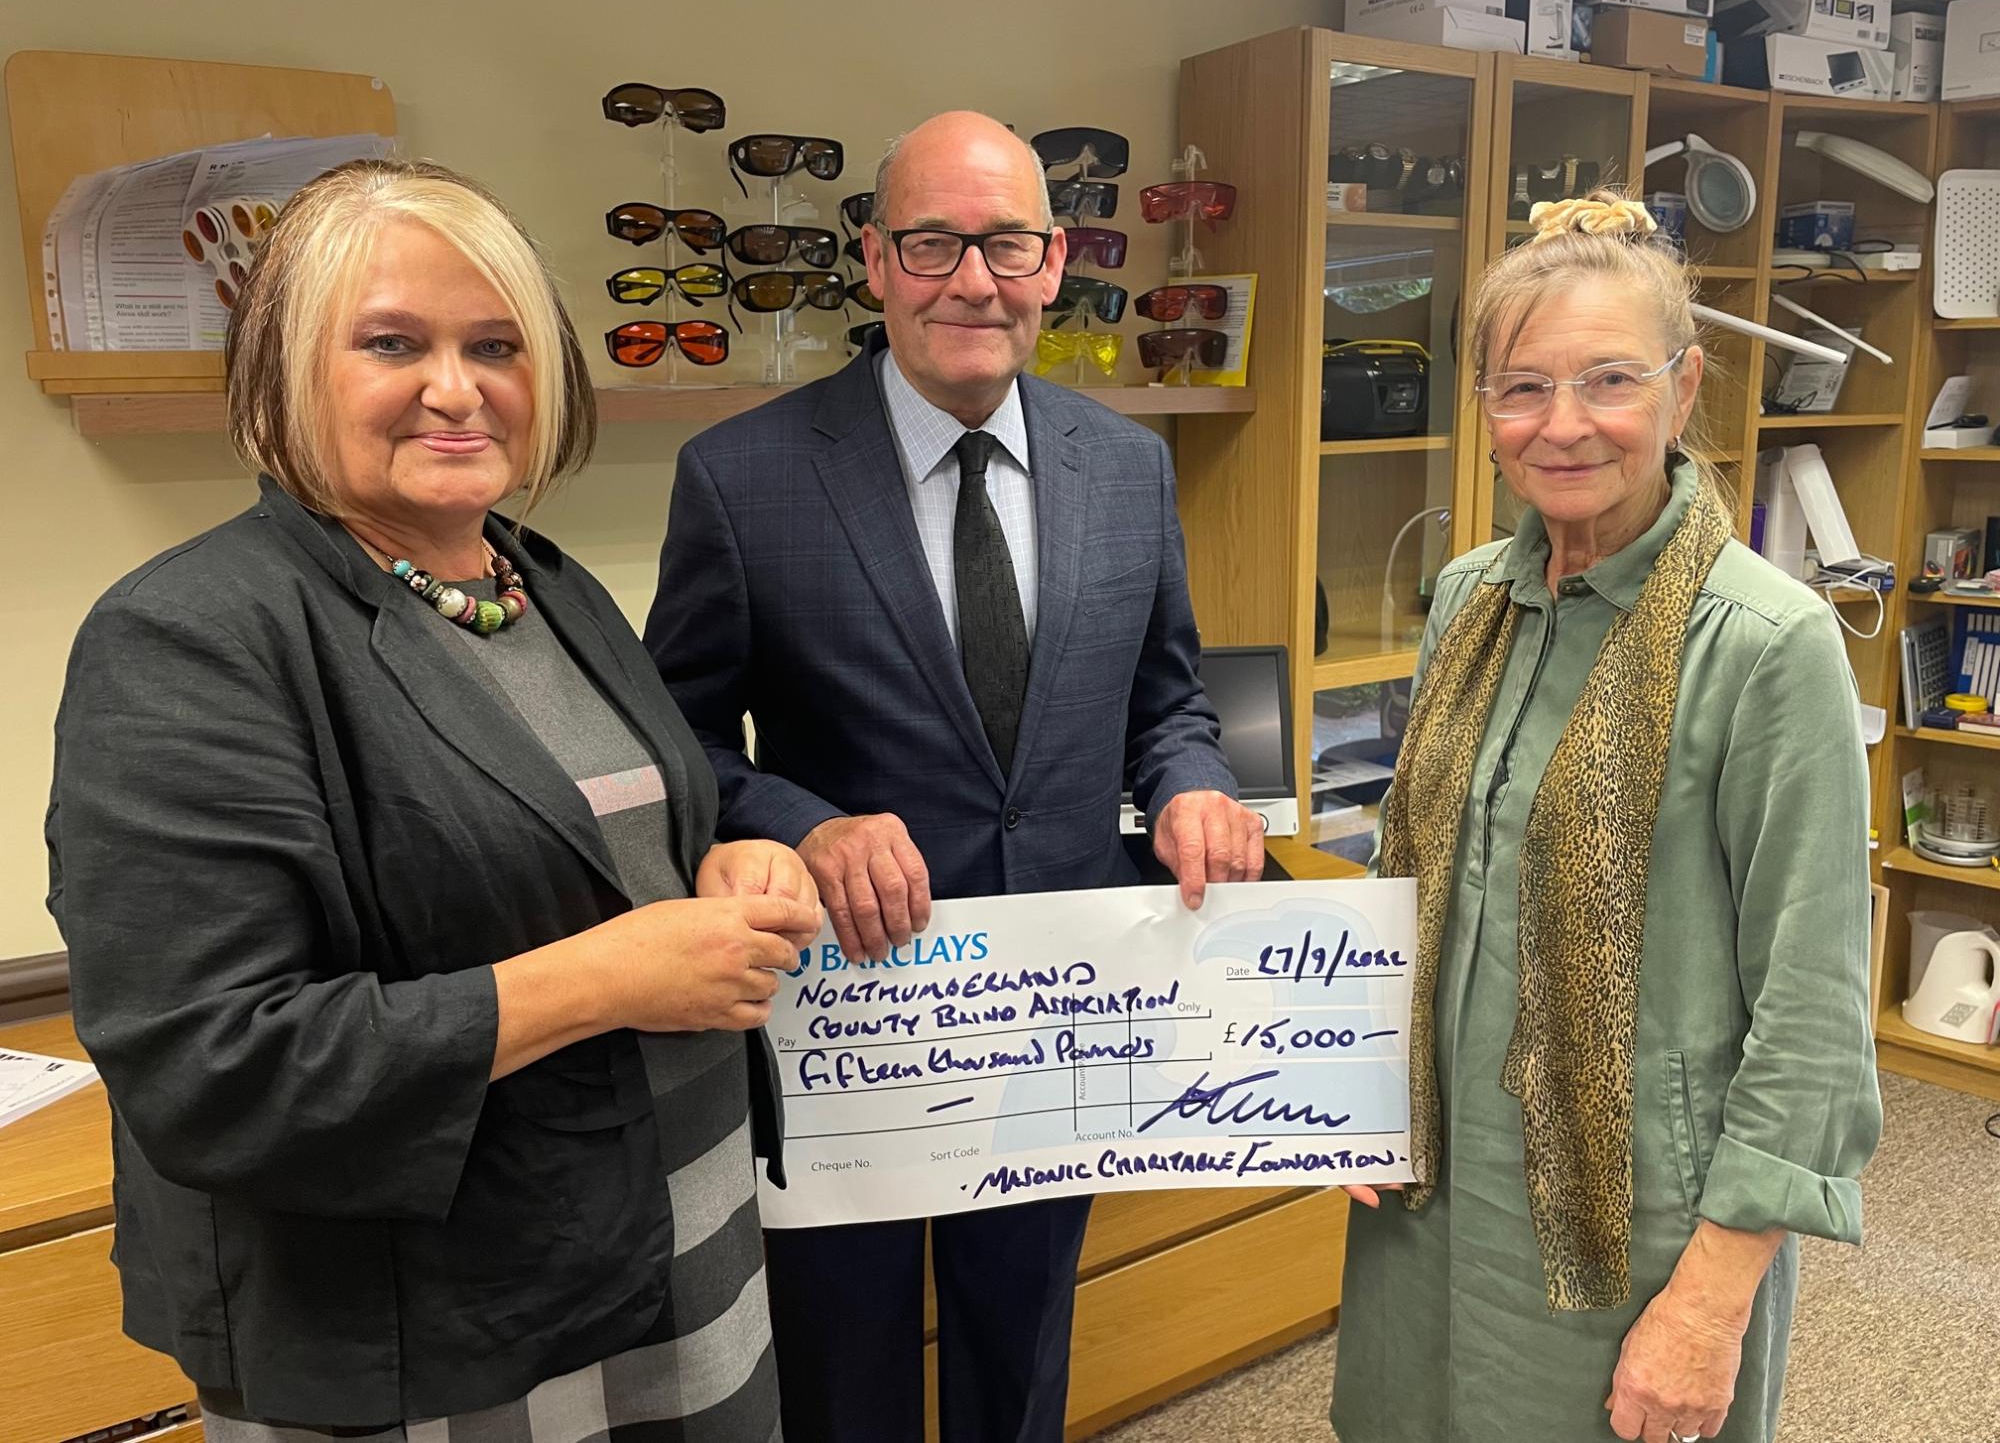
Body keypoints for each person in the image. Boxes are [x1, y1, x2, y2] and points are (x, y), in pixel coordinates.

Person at [46, 159, 822, 1439]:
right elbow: (214, 1064)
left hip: (672, 1231)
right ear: (288, 370)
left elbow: (590, 845)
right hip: (439, 1311)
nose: (456, 388)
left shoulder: (541, 585)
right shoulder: (191, 635)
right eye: (392, 343)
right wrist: (615, 977)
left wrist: (723, 862)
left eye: (496, 345)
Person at [645, 110, 1268, 1443]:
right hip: (850, 1022)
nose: (971, 279)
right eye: (933, 242)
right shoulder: (743, 480)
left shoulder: (1128, 468)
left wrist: (1194, 783)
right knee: (843, 1365)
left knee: (1021, 1350)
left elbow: (1168, 702)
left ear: (1054, 264)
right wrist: (805, 825)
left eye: (1006, 244)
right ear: (874, 260)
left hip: (1059, 1009)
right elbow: (675, 748)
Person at [1331, 191, 1881, 1443]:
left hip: (1632, 1229)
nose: (1561, 425)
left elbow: (1809, 1014)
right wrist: (1343, 1085)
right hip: (1425, 1205)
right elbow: (1405, 888)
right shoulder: (1471, 598)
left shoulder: (1763, 644)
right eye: (1520, 388)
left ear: (1683, 392)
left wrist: (1708, 1305)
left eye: (1608, 381)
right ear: (1481, 412)